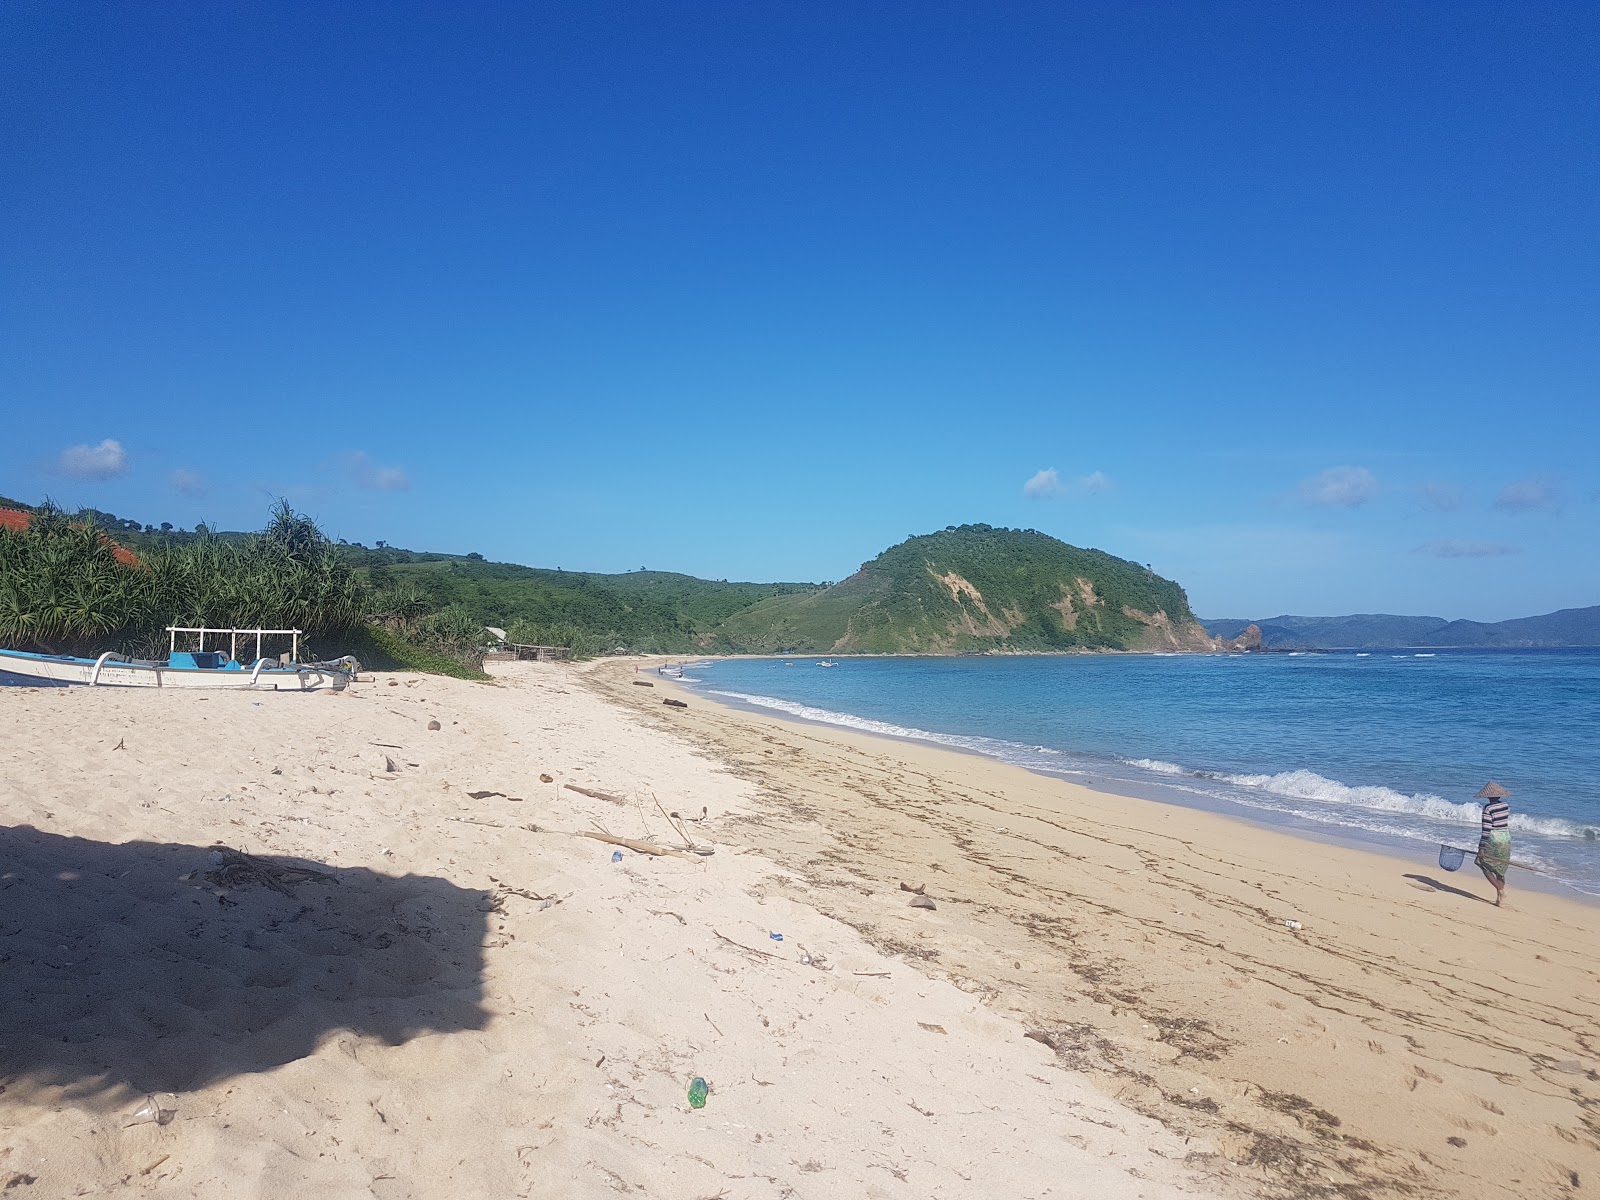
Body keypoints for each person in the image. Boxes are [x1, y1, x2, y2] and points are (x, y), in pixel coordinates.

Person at [1474, 781, 1512, 906]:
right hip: (1505, 838)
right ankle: (1499, 900)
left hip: (1493, 838)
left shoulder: (1488, 808)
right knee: (1500, 869)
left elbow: (1486, 830)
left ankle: (1500, 890)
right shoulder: (1505, 805)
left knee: (1482, 864)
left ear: (1488, 796)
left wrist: (1481, 848)